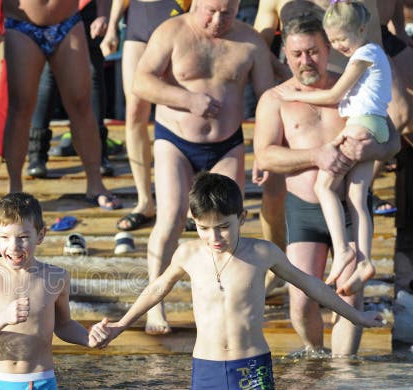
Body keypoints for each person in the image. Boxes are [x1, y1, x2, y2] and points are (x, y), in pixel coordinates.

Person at [88, 172, 384, 390]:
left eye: (223, 227)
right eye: (204, 228)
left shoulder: (262, 252)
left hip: (252, 365)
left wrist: (356, 316)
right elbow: (157, 289)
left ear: (241, 218)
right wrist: (121, 325)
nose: (214, 237)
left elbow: (310, 284)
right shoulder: (188, 254)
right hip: (206, 366)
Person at [253, 12, 400, 356]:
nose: (306, 61)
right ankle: (315, 354)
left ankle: (343, 369)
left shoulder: (351, 83)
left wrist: (374, 147)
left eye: (314, 52)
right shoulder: (277, 99)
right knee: (302, 299)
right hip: (303, 210)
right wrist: (316, 156)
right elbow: (266, 155)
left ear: (328, 47)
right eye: (297, 54)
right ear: (285, 55)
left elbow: (391, 139)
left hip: (348, 207)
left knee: (350, 293)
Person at [130, 0, 275, 334]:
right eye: (211, 10)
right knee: (171, 218)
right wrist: (187, 99)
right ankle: (156, 306)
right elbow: (141, 82)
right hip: (175, 140)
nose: (218, 19)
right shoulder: (172, 31)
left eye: (227, 12)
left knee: (227, 222)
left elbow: (268, 98)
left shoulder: (249, 41)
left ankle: (225, 301)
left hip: (227, 143)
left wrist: (265, 151)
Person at [276, 0, 391, 293]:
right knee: (356, 199)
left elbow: (334, 95)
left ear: (362, 29)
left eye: (342, 38)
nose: (339, 45)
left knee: (323, 187)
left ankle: (342, 250)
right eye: (334, 40)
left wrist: (292, 97)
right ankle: (364, 260)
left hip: (360, 124)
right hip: (373, 124)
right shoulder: (374, 53)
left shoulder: (363, 55)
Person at [0, 192, 107, 390]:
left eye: (23, 237)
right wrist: (2, 318)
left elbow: (64, 325)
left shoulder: (57, 277)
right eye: (5, 237)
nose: (14, 247)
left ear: (41, 235)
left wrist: (88, 338)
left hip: (41, 383)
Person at [0, 0, 123, 209]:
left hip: (67, 21)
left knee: (81, 105)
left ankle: (95, 184)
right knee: (20, 107)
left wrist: (102, 13)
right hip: (22, 25)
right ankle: (14, 188)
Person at [100, 0, 192, 232]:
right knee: (134, 112)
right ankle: (145, 201)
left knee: (182, 109)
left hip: (177, 15)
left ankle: (191, 200)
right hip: (139, 18)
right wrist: (112, 27)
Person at [27, 0, 115, 180]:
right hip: (52, 7)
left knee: (93, 73)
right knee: (49, 74)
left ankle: (98, 154)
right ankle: (36, 156)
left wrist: (103, 14)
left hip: (88, 8)